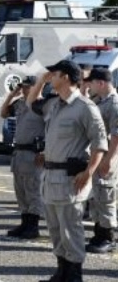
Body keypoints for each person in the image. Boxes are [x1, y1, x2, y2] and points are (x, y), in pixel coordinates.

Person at [27, 60, 108, 281]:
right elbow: (30, 102)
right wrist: (41, 82)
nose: (50, 77)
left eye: (53, 74)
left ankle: (73, 276)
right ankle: (61, 272)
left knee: (71, 230)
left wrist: (89, 173)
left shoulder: (85, 107)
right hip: (50, 177)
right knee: (55, 230)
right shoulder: (54, 104)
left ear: (65, 77)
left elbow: (100, 143)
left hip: (71, 179)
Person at [0, 76, 46, 239]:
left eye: (27, 87)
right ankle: (25, 223)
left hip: (34, 154)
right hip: (19, 153)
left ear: (36, 87)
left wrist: (45, 150)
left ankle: (33, 227)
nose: (24, 90)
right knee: (20, 191)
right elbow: (3, 113)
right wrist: (11, 96)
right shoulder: (20, 103)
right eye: (23, 87)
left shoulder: (42, 105)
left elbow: (51, 128)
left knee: (33, 190)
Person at [83, 68, 118, 254]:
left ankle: (109, 237)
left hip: (108, 158)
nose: (89, 85)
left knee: (106, 197)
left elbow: (116, 137)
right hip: (98, 156)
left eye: (92, 82)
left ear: (101, 83)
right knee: (97, 196)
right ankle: (99, 233)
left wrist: (109, 161)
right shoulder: (99, 101)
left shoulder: (114, 104)